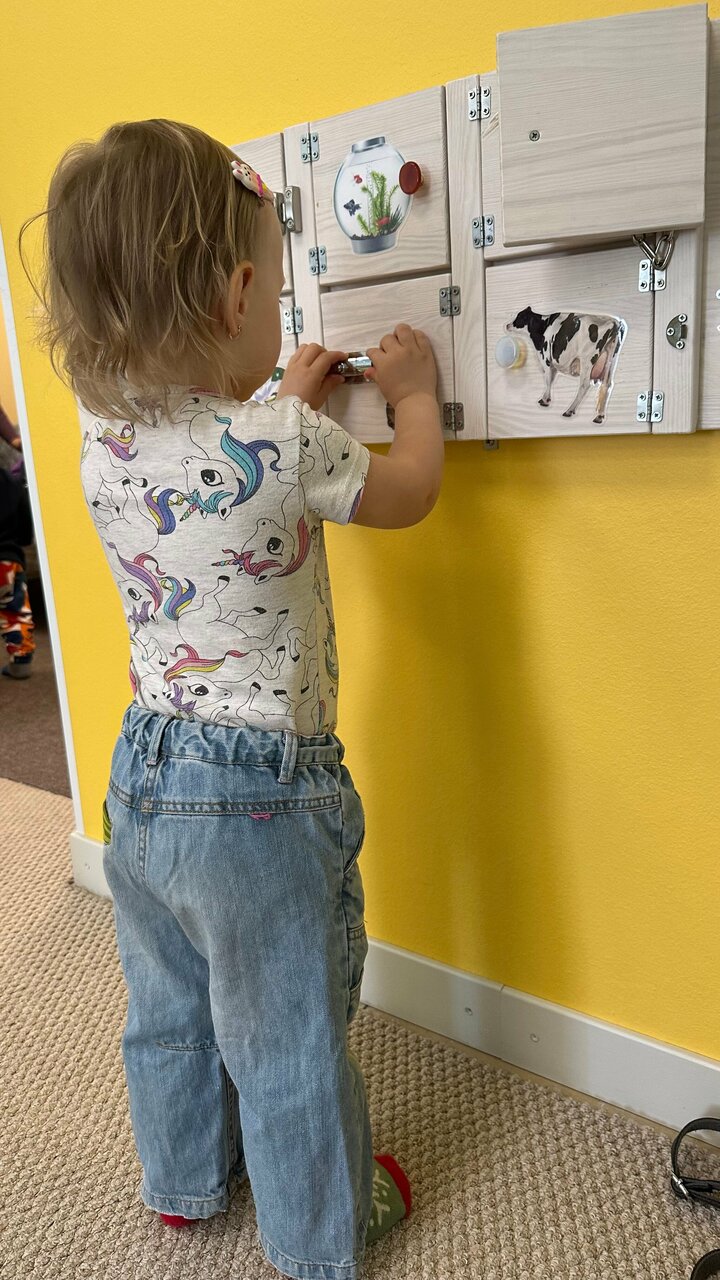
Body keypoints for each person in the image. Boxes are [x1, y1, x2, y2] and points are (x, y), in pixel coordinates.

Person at [21, 119, 443, 1280]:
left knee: (171, 1003)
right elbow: (408, 491)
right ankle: (319, 1237)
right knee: (286, 1031)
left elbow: (208, 454)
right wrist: (412, 395)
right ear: (241, 293)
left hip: (143, 774)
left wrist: (272, 390)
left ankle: (183, 1181)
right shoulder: (287, 438)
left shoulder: (103, 440)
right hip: (258, 799)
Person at [0, 463, 35, 678]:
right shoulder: (12, 483)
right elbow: (25, 534)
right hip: (7, 560)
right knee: (15, 612)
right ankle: (20, 662)